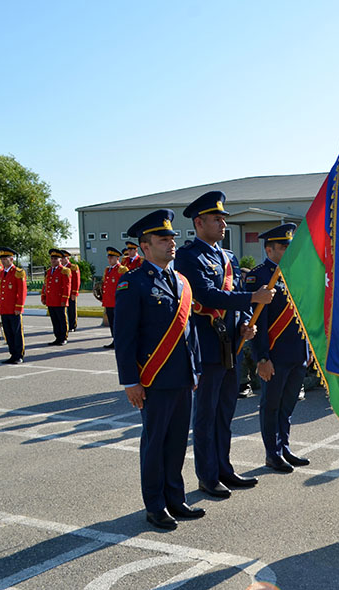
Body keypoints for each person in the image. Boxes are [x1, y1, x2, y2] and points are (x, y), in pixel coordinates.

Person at [175, 190, 272, 498]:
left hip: (231, 344)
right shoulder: (189, 257)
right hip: (206, 345)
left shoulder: (227, 257)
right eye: (217, 219)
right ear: (199, 222)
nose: (223, 225)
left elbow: (238, 296)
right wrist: (252, 298)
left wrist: (246, 319)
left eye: (224, 219)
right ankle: (207, 474)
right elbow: (206, 295)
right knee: (205, 414)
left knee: (225, 411)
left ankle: (224, 468)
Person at [114, 210, 204, 530]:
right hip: (153, 378)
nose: (171, 244)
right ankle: (154, 504)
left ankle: (175, 498)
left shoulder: (180, 281)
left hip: (181, 377)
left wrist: (194, 371)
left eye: (172, 239)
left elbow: (188, 331)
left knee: (178, 440)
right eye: (163, 240)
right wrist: (130, 381)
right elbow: (124, 339)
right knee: (155, 443)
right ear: (145, 247)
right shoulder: (133, 282)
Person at [248, 223, 312, 473]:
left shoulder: (295, 273)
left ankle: (283, 447)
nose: (289, 249)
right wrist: (262, 357)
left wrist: (306, 351)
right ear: (269, 249)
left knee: (287, 406)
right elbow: (257, 322)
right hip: (274, 355)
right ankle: (272, 453)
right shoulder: (259, 276)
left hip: (296, 354)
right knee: (271, 405)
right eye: (284, 246)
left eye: (290, 245)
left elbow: (303, 316)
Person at [0, 247, 27, 364]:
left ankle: (19, 355)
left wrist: (19, 307)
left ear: (11, 259)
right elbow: (1, 292)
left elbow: (22, 291)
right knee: (8, 333)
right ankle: (12, 354)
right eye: (2, 259)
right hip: (5, 308)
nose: (3, 261)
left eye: (5, 258)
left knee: (17, 332)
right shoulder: (1, 273)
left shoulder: (18, 273)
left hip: (14, 309)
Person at [100, 246, 128, 349]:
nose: (109, 259)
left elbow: (125, 286)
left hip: (118, 302)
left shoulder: (122, 270)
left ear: (117, 258)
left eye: (112, 257)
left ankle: (121, 341)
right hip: (109, 302)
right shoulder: (108, 270)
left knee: (119, 323)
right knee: (112, 323)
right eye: (108, 257)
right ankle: (115, 340)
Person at [42, 249, 71, 345]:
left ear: (60, 260)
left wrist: (65, 299)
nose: (53, 260)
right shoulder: (49, 271)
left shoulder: (64, 271)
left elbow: (67, 286)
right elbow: (45, 285)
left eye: (56, 258)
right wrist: (44, 296)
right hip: (51, 300)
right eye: (52, 258)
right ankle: (57, 337)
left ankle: (63, 337)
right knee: (54, 320)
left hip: (59, 300)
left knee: (61, 319)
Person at [61, 250, 80, 332]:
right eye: (60, 258)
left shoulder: (72, 267)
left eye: (63, 257)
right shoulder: (60, 268)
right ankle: (65, 325)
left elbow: (76, 281)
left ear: (67, 258)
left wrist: (74, 292)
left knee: (72, 309)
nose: (61, 259)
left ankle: (72, 325)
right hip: (62, 292)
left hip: (71, 292)